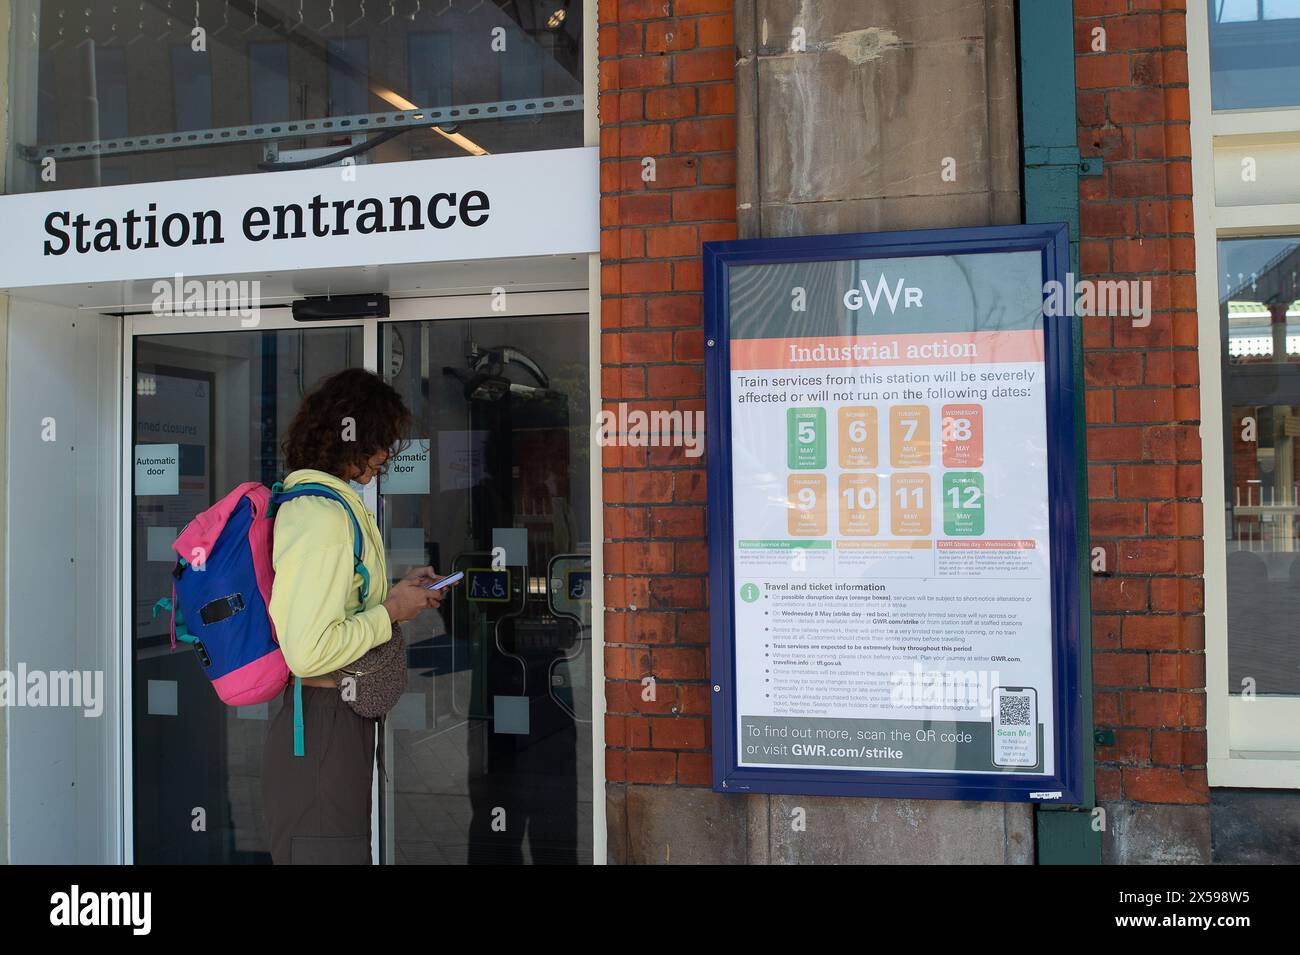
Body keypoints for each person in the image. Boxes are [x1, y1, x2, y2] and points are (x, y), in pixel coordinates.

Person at [261, 367, 444, 865]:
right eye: (380, 441)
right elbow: (308, 649)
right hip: (323, 723)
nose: (386, 454)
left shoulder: (330, 508)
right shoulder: (322, 518)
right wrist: (390, 612)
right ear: (349, 437)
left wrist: (395, 597)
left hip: (333, 720)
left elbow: (338, 606)